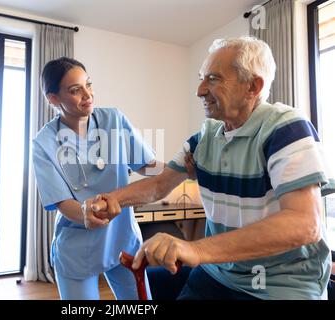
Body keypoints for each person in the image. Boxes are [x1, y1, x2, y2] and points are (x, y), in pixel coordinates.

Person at [87, 37, 335, 300]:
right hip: (218, 273)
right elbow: (160, 184)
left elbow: (304, 223)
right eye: (201, 78)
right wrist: (112, 199)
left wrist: (195, 250)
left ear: (252, 86)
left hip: (281, 283)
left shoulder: (285, 128)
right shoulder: (204, 138)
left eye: (213, 79)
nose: (200, 90)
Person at [32, 57, 159, 300]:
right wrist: (85, 214)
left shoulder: (114, 120)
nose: (87, 94)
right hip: (78, 249)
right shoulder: (44, 143)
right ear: (53, 99)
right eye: (75, 90)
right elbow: (61, 201)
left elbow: (148, 166)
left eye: (88, 85)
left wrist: (184, 168)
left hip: (122, 240)